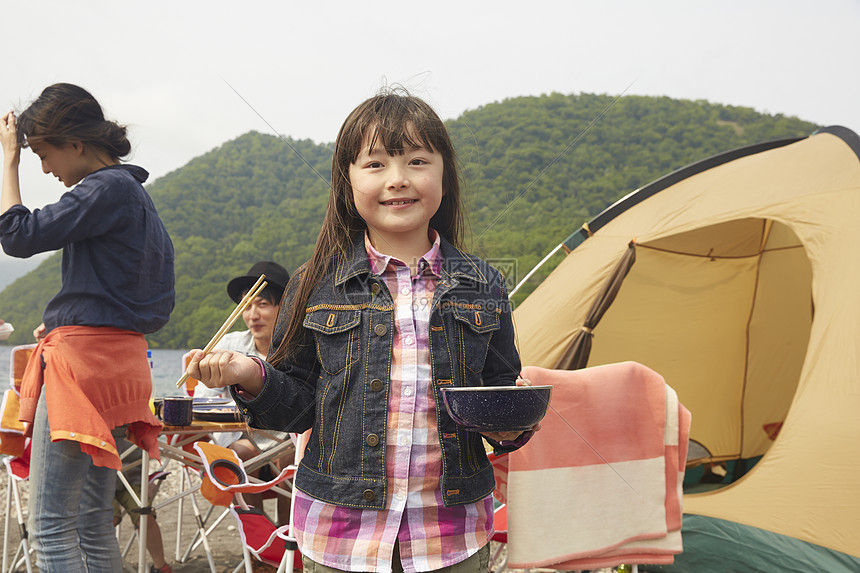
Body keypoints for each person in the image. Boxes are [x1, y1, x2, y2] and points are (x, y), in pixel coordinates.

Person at [186, 90, 537, 573]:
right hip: (339, 530)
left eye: (416, 160)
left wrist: (513, 423)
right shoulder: (314, 283)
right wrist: (248, 373)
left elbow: (498, 396)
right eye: (375, 164)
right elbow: (299, 404)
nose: (398, 180)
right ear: (346, 180)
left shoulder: (484, 283)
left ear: (443, 175)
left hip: (451, 530)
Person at [0, 83, 174, 573]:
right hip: (120, 365)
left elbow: (17, 235)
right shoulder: (133, 195)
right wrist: (73, 320)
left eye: (43, 153)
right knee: (94, 522)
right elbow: (149, 299)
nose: (44, 167)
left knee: (52, 526)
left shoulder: (104, 189)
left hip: (82, 370)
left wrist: (8, 160)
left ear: (74, 143)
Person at [193, 260, 296, 524]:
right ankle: (258, 546)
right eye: (246, 305)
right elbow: (203, 400)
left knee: (291, 458)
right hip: (245, 438)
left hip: (288, 441)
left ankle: (289, 549)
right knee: (237, 457)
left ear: (283, 306)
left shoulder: (298, 349)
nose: (253, 315)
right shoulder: (229, 345)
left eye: (262, 304)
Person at [113, 438, 172, 573]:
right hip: (98, 478)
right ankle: (102, 564)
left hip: (133, 478)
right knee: (108, 519)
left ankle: (161, 566)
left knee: (145, 516)